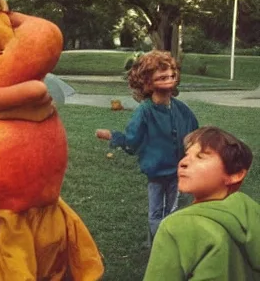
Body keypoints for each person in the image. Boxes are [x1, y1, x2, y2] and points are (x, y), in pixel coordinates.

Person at [96, 49, 199, 243]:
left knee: (175, 210)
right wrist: (114, 136)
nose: (168, 79)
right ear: (147, 82)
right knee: (156, 212)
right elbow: (132, 142)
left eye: (171, 75)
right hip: (156, 172)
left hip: (178, 171)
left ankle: (171, 244)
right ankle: (160, 246)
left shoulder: (182, 110)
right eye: (162, 76)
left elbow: (195, 134)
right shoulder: (144, 112)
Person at [144, 126, 259, 280]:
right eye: (186, 155)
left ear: (235, 174)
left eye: (201, 156)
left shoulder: (175, 227)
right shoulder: (253, 214)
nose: (183, 163)